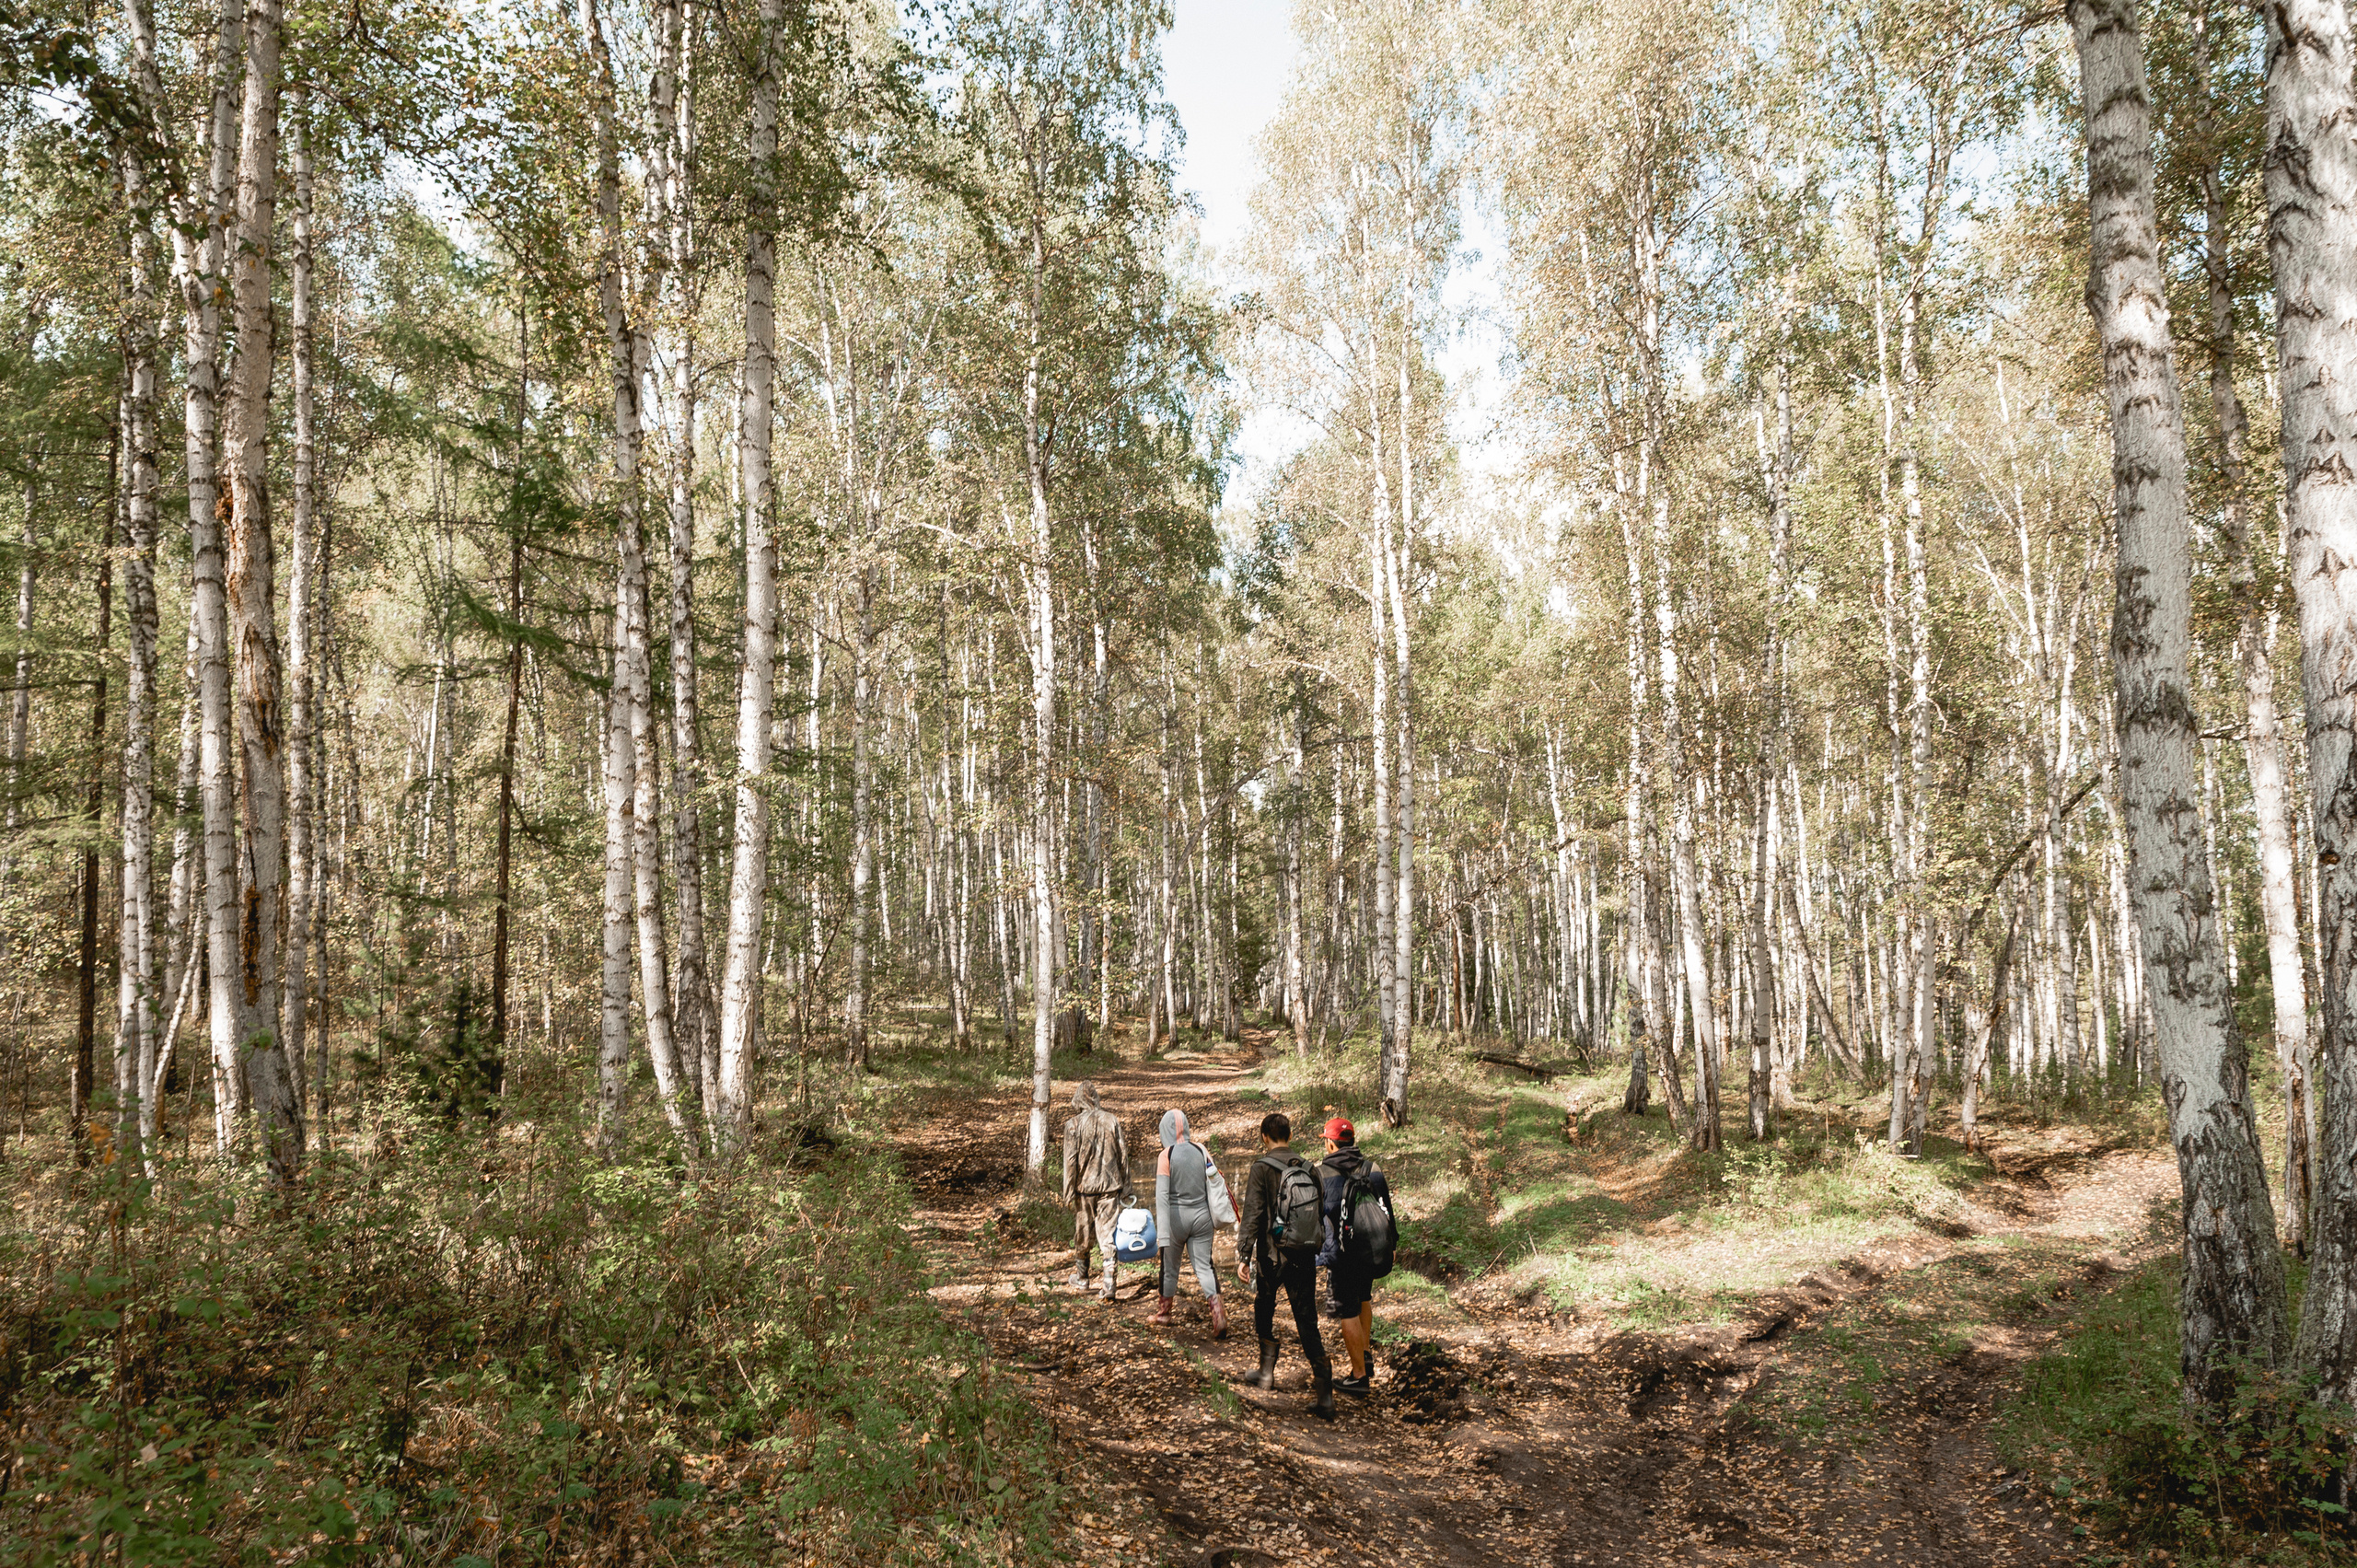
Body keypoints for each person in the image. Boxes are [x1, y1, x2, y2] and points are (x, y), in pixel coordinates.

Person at [1233, 1110, 1335, 1420]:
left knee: (1264, 1305)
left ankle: (1266, 1373)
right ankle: (1325, 1395)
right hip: (1304, 1255)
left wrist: (1244, 1254)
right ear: (1289, 1136)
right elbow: (1319, 1213)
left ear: (1265, 1137)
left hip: (1271, 1255)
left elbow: (1252, 1213)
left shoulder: (1261, 1168)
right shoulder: (1310, 1168)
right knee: (1307, 1319)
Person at [1316, 1115, 1391, 1398]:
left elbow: (1316, 1217)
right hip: (1370, 1249)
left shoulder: (1321, 1173)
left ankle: (1359, 1376)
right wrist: (1391, 1243)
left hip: (1341, 1253)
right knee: (1363, 1299)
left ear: (1332, 1145)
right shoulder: (1373, 1168)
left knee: (1347, 1309)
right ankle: (1366, 1353)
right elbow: (1386, 1209)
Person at [1149, 1108, 1227, 1337]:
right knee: (1204, 1266)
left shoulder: (1167, 1155)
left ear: (1164, 1130)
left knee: (1170, 1268)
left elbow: (1162, 1197)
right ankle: (1219, 1316)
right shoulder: (1201, 1149)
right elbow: (1214, 1182)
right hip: (1203, 1218)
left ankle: (1163, 1314)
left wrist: (1163, 1235)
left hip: (1176, 1220)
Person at [1062, 1081, 1128, 1301]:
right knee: (1107, 1234)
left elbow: (1070, 1162)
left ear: (1077, 1100)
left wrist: (1068, 1191)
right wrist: (1126, 1186)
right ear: (1097, 1099)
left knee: (1083, 1234)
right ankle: (1109, 1283)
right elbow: (1123, 1156)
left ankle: (1082, 1277)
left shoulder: (1072, 1124)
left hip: (1084, 1189)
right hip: (1110, 1187)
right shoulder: (1112, 1120)